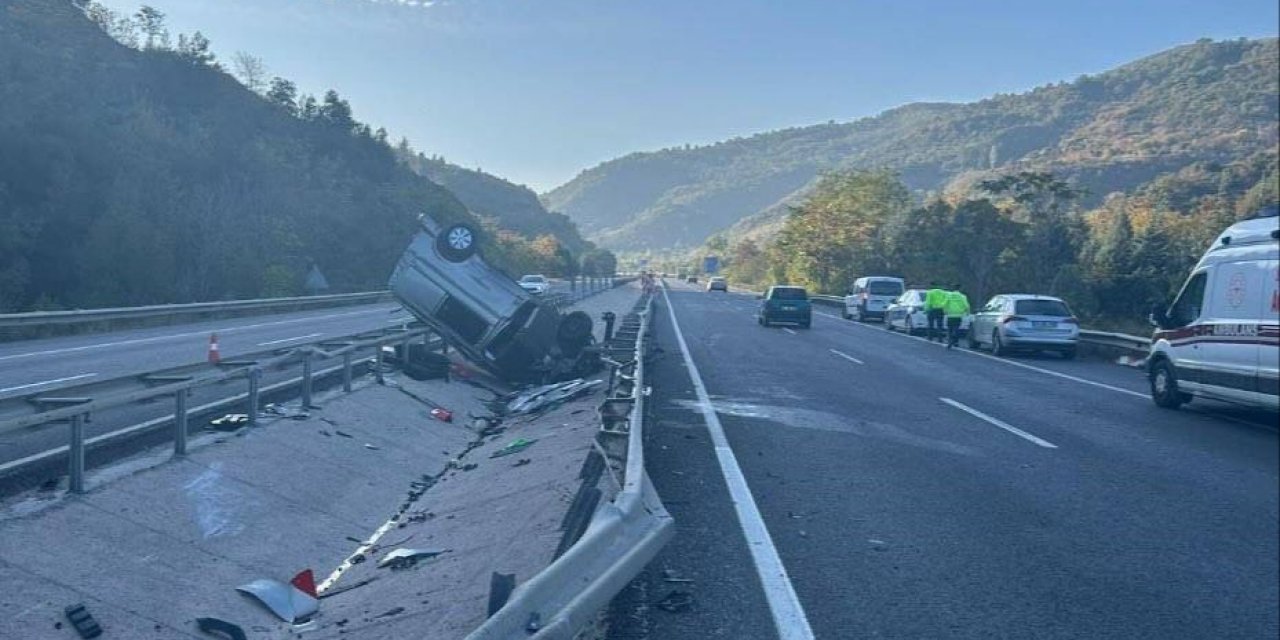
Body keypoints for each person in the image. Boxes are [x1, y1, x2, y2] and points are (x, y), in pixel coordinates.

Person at [944, 284, 971, 349]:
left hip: (950, 314)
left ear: (953, 288)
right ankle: (955, 341)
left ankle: (950, 340)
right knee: (956, 328)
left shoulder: (949, 295)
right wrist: (967, 312)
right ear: (960, 289)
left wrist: (945, 311)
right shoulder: (962, 296)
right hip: (958, 314)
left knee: (950, 329)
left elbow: (944, 304)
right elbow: (966, 305)